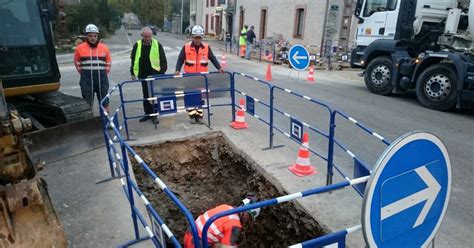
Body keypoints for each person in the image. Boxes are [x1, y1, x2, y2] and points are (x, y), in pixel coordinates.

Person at [174, 25, 224, 124]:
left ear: (202, 37)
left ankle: (199, 116)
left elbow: (212, 58)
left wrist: (219, 67)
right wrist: (177, 70)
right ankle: (192, 116)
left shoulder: (206, 47)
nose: (198, 39)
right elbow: (180, 59)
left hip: (201, 77)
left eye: (199, 37)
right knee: (190, 97)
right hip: (189, 77)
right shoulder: (186, 47)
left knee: (200, 97)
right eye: (196, 37)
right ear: (192, 37)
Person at [183, 193, 260, 248]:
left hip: (190, 234)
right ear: (247, 214)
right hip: (197, 244)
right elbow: (226, 247)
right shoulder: (234, 224)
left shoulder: (226, 207)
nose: (248, 221)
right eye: (249, 218)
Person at [130, 27, 168, 124]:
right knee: (146, 95)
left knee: (154, 95)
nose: (147, 39)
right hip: (143, 74)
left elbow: (163, 59)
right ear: (142, 36)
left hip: (155, 74)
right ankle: (147, 114)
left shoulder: (157, 44)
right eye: (146, 37)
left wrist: (162, 73)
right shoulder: (137, 45)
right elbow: (133, 59)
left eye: (149, 37)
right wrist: (132, 73)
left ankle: (154, 115)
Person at [74, 24, 111, 112]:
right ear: (86, 36)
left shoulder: (104, 48)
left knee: (104, 102)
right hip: (86, 80)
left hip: (102, 79)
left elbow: (108, 63)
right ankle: (90, 123)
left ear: (97, 36)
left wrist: (103, 75)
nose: (92, 38)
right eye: (90, 36)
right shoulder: (79, 48)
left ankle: (105, 122)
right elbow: (77, 64)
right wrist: (85, 74)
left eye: (95, 36)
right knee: (87, 103)